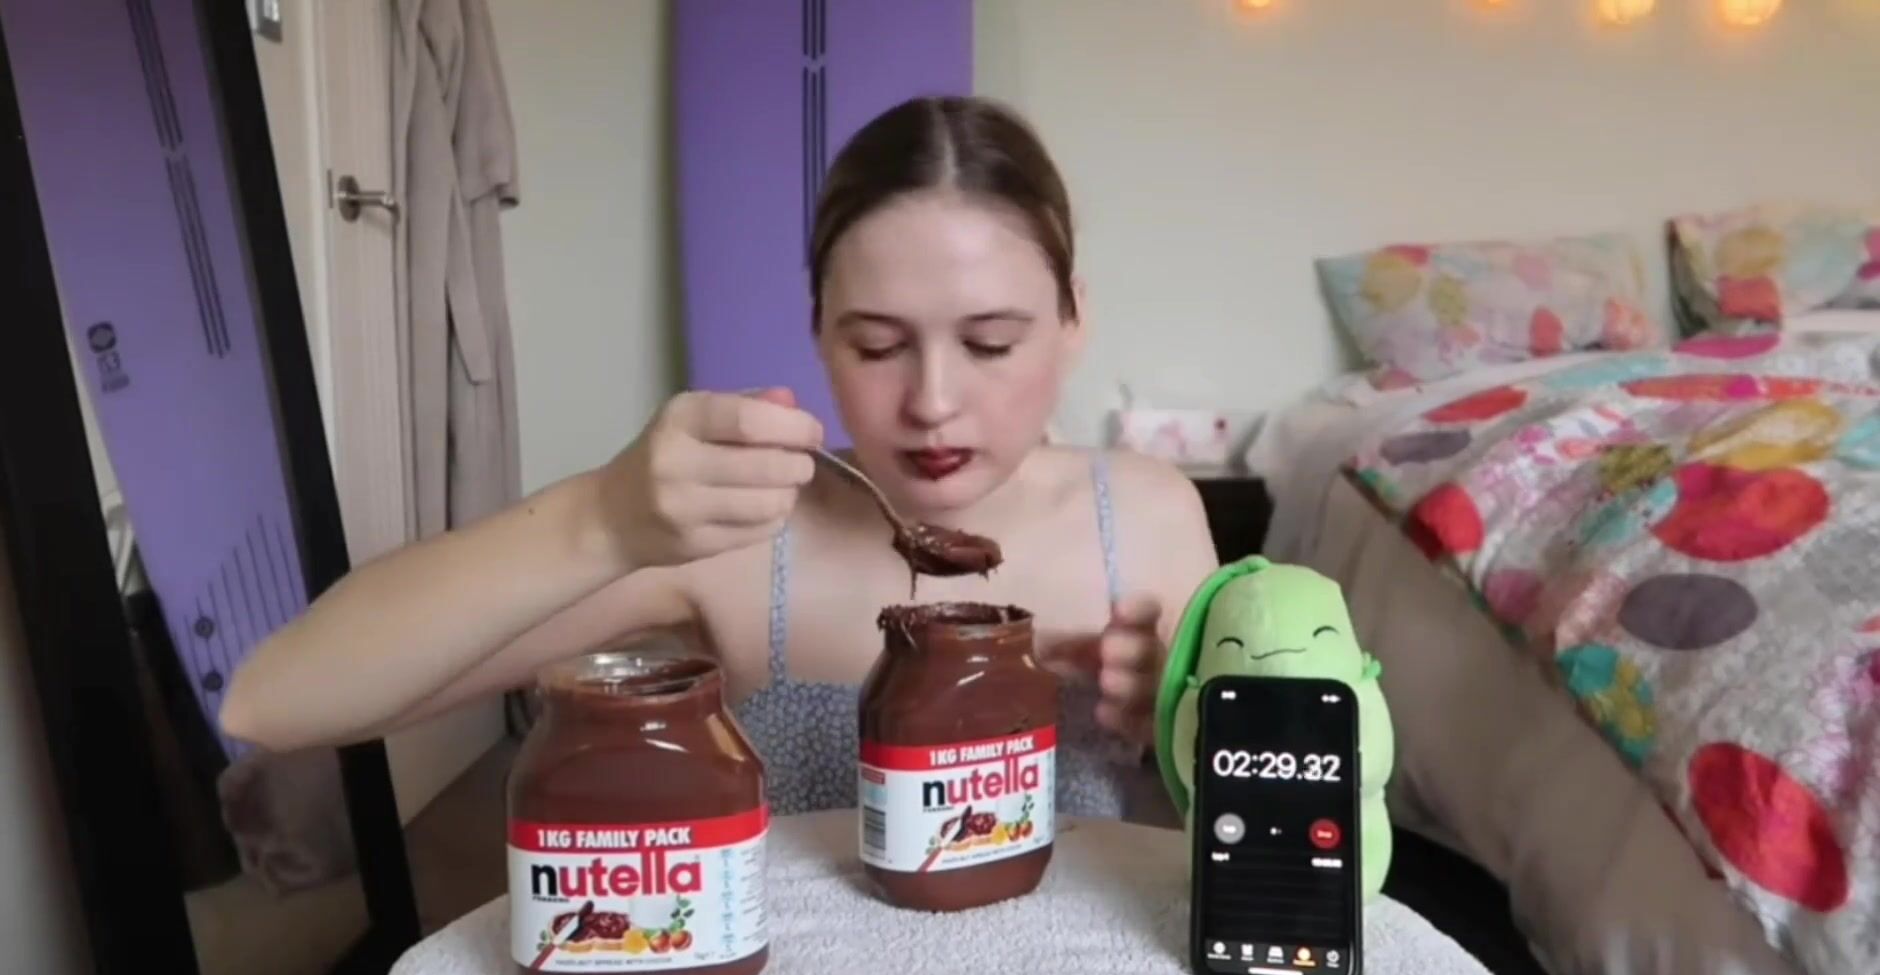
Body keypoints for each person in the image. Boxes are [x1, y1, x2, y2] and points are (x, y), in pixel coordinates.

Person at [223, 95, 1220, 824]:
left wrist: (1190, 729)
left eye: (990, 343)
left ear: (1073, 318)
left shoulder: (1146, 518)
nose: (932, 400)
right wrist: (601, 518)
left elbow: (1231, 843)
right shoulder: (738, 533)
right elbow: (275, 701)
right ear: (818, 330)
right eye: (876, 345)